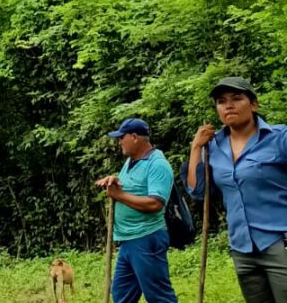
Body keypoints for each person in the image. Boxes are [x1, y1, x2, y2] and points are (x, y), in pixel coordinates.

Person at [185, 76, 287, 303]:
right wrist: (196, 147)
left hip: (280, 242)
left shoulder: (279, 138)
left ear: (253, 104)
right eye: (221, 101)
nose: (228, 105)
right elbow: (197, 191)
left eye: (237, 98)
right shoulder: (212, 146)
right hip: (242, 248)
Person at [95, 118, 179, 303]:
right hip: (128, 240)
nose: (118, 142)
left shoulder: (157, 164)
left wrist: (118, 195)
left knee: (159, 297)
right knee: (122, 295)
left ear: (134, 137)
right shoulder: (130, 161)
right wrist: (113, 180)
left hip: (146, 238)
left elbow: (155, 203)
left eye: (121, 137)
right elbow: (130, 188)